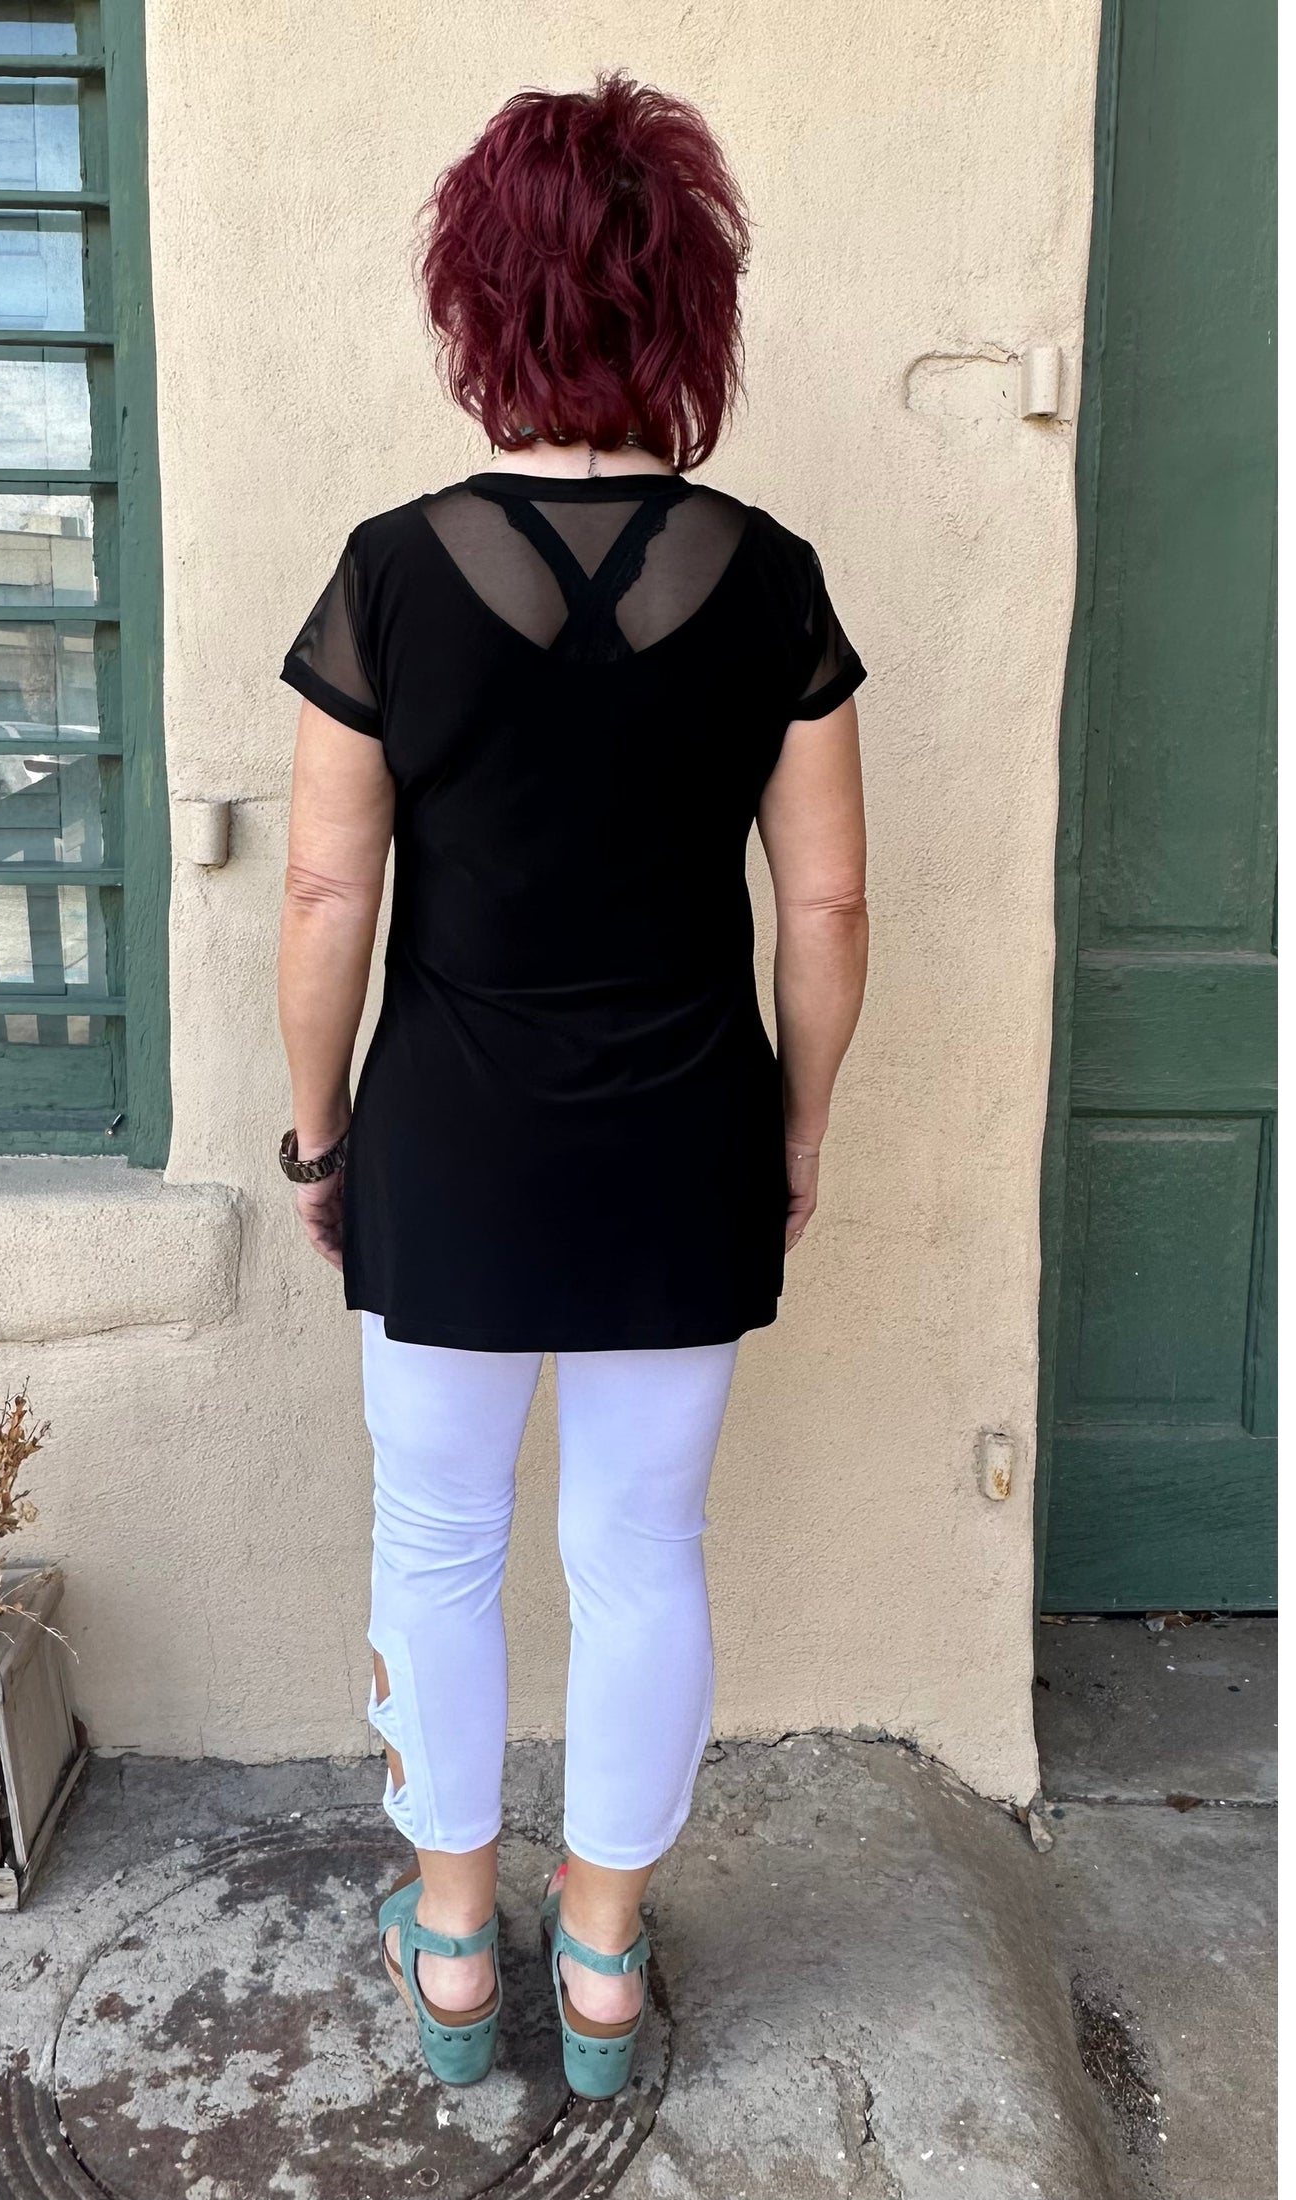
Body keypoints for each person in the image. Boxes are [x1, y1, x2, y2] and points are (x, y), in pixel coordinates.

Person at [276, 70, 869, 2098]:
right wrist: (797, 1128)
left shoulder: (387, 572)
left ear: (479, 300)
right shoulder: (772, 577)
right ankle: (600, 1963)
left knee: (436, 1538)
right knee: (643, 1549)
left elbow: (327, 894)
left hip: (446, 1141)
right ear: (686, 302)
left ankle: (453, 1942)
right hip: (686, 1140)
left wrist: (319, 1135)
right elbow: (828, 903)